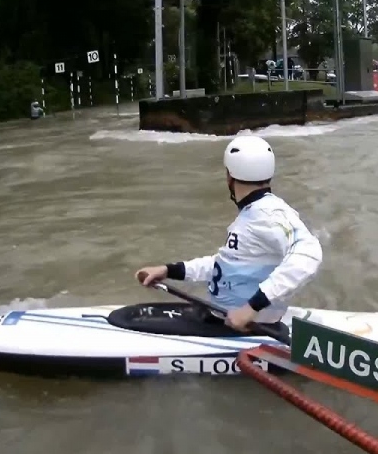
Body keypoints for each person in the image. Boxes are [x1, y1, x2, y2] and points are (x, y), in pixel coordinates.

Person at [134, 135, 323, 333]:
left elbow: (309, 255)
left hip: (248, 329)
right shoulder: (253, 212)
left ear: (230, 176)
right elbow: (227, 265)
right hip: (219, 318)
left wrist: (251, 308)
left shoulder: (268, 214)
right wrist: (168, 270)